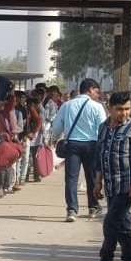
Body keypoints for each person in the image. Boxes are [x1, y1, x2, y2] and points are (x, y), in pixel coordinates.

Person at [91, 91, 131, 261]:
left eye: (127, 109)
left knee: (110, 222)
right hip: (110, 185)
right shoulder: (103, 128)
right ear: (110, 109)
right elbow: (100, 158)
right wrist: (98, 182)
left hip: (127, 186)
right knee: (122, 224)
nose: (123, 113)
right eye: (119, 109)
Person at [49, 78, 107, 221]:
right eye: (96, 92)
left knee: (71, 179)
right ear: (90, 89)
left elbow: (57, 126)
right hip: (92, 145)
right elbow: (102, 128)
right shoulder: (97, 107)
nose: (97, 95)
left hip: (72, 145)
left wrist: (55, 138)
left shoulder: (67, 106)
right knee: (92, 177)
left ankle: (72, 210)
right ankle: (93, 207)